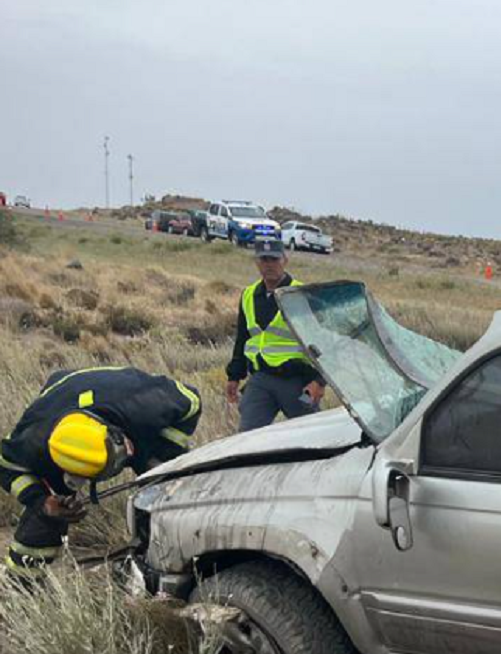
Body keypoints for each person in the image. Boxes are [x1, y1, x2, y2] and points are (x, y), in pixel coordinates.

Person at [0, 366, 202, 580]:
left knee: (167, 490)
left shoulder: (145, 405)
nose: (128, 455)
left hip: (120, 396)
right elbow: (5, 466)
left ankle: (165, 564)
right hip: (61, 400)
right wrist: (41, 500)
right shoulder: (35, 439)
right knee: (50, 510)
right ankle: (22, 581)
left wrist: (161, 453)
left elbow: (193, 400)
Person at [227, 238, 322, 431]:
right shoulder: (248, 294)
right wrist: (234, 376)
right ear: (256, 262)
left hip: (296, 381)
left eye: (274, 259)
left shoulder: (300, 294)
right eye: (264, 259)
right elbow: (243, 339)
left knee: (313, 436)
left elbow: (322, 342)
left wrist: (319, 382)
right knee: (246, 439)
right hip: (260, 379)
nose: (269, 265)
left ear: (285, 260)